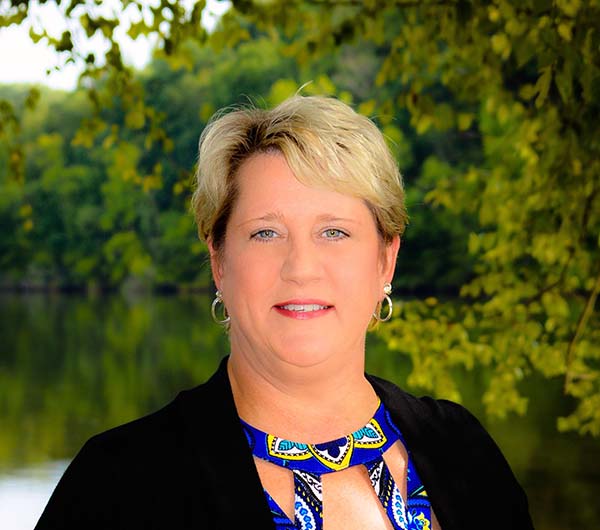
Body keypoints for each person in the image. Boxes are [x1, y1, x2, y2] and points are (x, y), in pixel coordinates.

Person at [35, 95, 534, 530]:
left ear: (386, 259)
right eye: (266, 233)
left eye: (334, 232)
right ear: (219, 261)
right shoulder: (119, 483)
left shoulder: (462, 450)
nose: (301, 268)